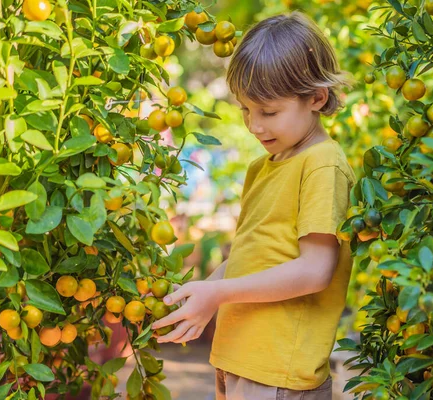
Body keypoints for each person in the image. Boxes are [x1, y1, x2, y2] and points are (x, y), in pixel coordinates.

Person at [152, 11, 356, 400]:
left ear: (317, 97)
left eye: (269, 112)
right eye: (245, 109)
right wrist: (201, 295)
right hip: (239, 361)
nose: (254, 126)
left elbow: (315, 270)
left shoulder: (322, 164)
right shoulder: (261, 168)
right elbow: (251, 255)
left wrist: (220, 294)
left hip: (279, 372)